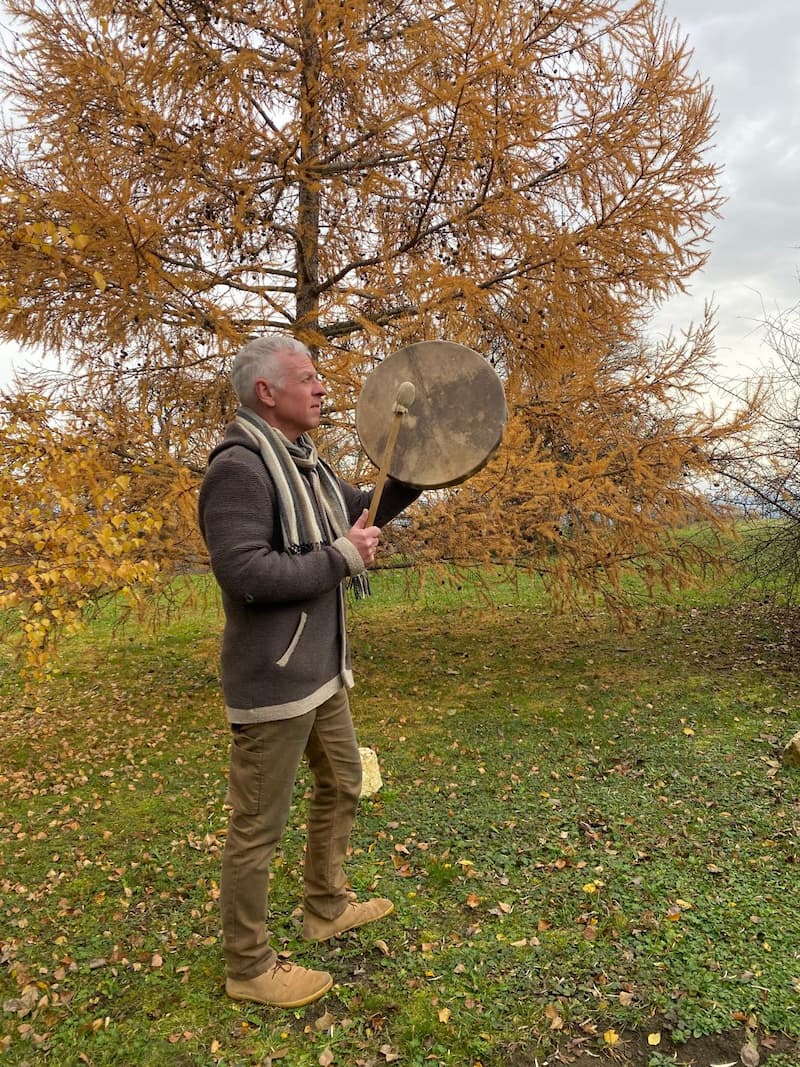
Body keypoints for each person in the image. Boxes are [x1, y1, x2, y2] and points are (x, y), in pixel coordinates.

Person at [198, 334, 419, 1009]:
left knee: (344, 782)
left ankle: (325, 905)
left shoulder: (305, 466)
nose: (322, 387)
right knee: (257, 827)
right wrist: (341, 557)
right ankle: (248, 964)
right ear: (268, 392)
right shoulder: (240, 468)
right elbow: (244, 571)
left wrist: (425, 462)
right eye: (309, 377)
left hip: (320, 671)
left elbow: (360, 509)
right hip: (273, 679)